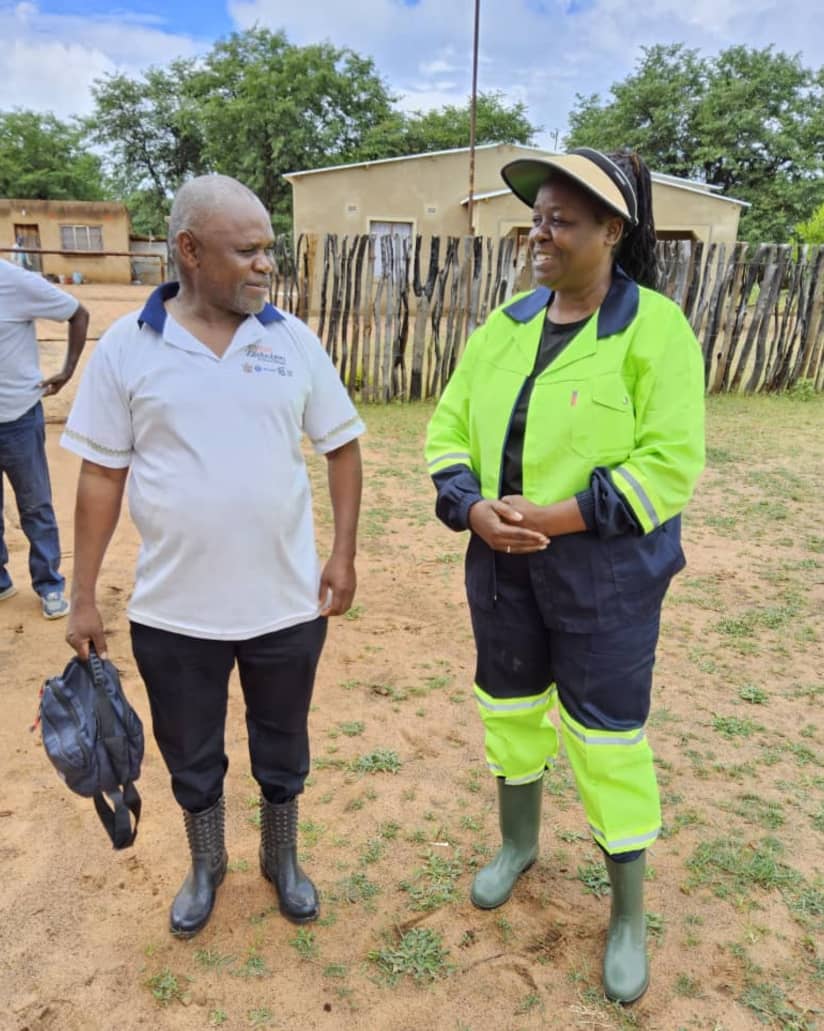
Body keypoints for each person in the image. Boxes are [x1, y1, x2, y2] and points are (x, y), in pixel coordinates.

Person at [425, 148, 705, 1003]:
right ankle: (519, 843)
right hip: (502, 566)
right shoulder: (503, 327)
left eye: (562, 219)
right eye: (537, 217)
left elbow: (668, 465)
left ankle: (626, 912)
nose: (540, 233)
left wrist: (549, 518)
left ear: (611, 231)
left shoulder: (654, 329)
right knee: (508, 706)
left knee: (607, 734)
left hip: (606, 574)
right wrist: (473, 508)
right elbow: (446, 431)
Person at [61, 174, 364, 938]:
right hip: (176, 611)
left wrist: (344, 553)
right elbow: (101, 475)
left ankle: (281, 858)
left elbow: (342, 444)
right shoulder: (129, 348)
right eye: (250, 250)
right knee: (190, 751)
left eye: (270, 249)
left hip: (287, 601)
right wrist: (85, 592)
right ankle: (207, 863)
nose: (268, 265)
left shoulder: (290, 340)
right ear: (190, 251)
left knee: (282, 744)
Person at [0, 258, 89, 618]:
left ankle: (50, 584)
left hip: (18, 417)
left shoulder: (13, 282)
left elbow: (77, 312)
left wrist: (67, 371)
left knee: (35, 504)